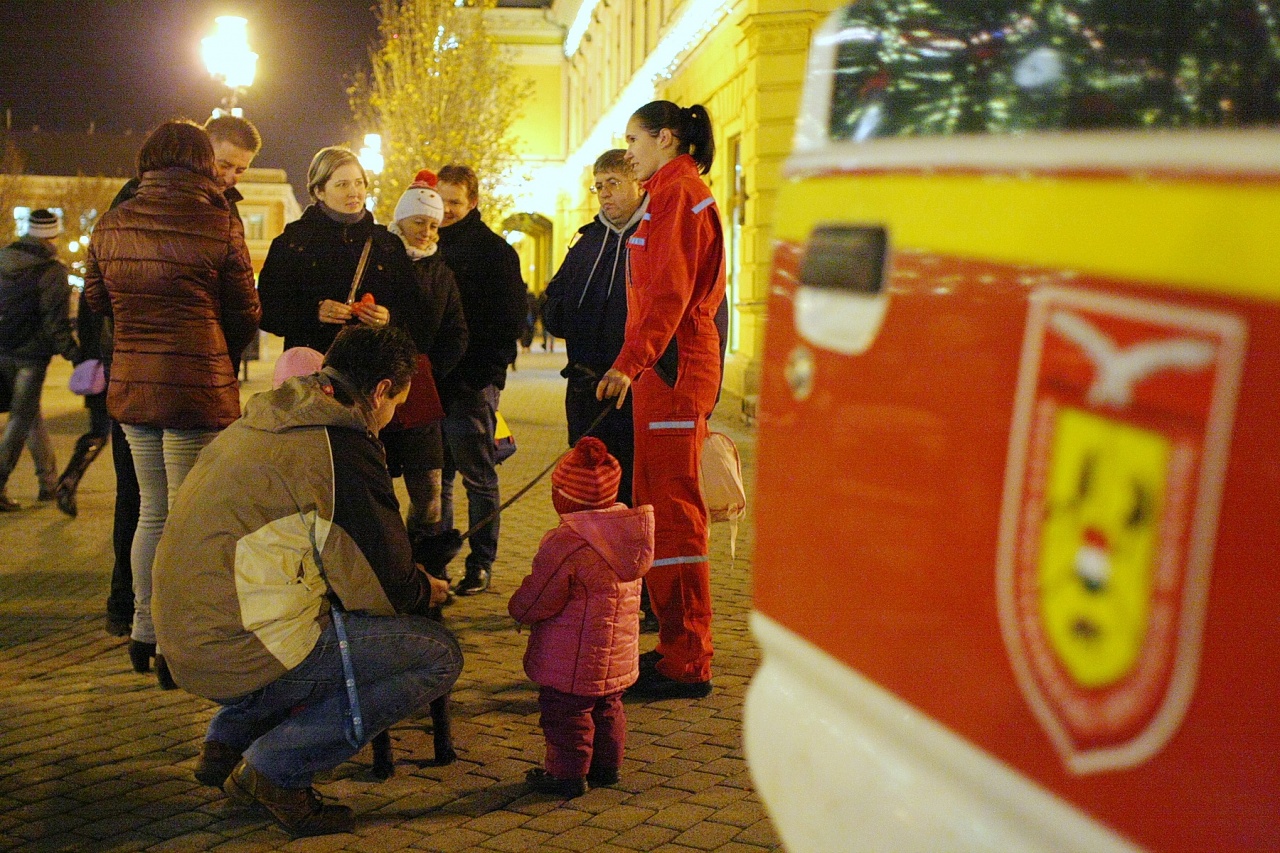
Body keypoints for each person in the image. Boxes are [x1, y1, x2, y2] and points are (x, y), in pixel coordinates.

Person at [151, 325, 460, 838]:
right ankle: (276, 768)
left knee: (322, 625)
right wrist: (426, 587)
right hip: (237, 642)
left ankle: (228, 737)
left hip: (187, 632)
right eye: (394, 406)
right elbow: (382, 592)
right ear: (380, 390)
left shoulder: (273, 415)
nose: (389, 422)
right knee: (436, 655)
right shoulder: (339, 448)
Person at [84, 120, 261, 689]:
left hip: (134, 382)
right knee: (189, 516)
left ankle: (143, 629)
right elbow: (246, 309)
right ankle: (179, 639)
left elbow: (95, 300)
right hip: (196, 384)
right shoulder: (218, 222)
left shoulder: (113, 221)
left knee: (151, 511)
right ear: (203, 163)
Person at [596, 101, 727, 699]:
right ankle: (676, 647)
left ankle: (687, 659)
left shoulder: (678, 195)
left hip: (673, 372)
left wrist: (630, 364)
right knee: (661, 506)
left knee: (674, 517)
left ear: (666, 138)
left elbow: (669, 293)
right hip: (666, 372)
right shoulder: (673, 191)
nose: (629, 152)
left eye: (634, 140)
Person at [508, 437, 653, 797]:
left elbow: (540, 595)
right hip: (615, 657)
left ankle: (567, 775)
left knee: (565, 714)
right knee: (608, 708)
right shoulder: (630, 535)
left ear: (565, 499)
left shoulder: (566, 544)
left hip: (571, 658)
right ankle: (607, 767)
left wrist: (519, 610)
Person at [434, 164, 528, 596]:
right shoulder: (424, 244)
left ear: (472, 202)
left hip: (470, 383)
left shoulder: (494, 252)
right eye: (442, 199)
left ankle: (481, 562)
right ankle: (437, 561)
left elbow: (509, 321)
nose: (447, 209)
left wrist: (481, 376)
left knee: (477, 475)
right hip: (429, 382)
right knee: (438, 477)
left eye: (455, 201)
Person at [257, 146, 415, 354]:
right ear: (319, 191)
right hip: (313, 368)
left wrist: (388, 317)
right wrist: (314, 312)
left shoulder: (387, 244)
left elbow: (414, 308)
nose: (354, 192)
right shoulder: (293, 243)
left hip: (371, 368)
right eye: (342, 185)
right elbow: (265, 311)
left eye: (359, 183)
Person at [385, 170, 468, 541]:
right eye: (420, 222)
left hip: (420, 388)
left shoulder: (441, 272)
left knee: (429, 495)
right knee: (376, 491)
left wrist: (430, 371)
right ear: (401, 219)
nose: (428, 232)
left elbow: (456, 331)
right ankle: (389, 572)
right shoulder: (379, 260)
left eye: (434, 226)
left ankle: (422, 565)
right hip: (378, 387)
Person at [0, 209, 81, 511]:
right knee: (21, 419)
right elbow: (54, 323)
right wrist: (75, 354)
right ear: (54, 235)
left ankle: (49, 483)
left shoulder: (2, 258)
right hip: (29, 355)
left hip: (2, 346)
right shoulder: (52, 270)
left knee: (30, 416)